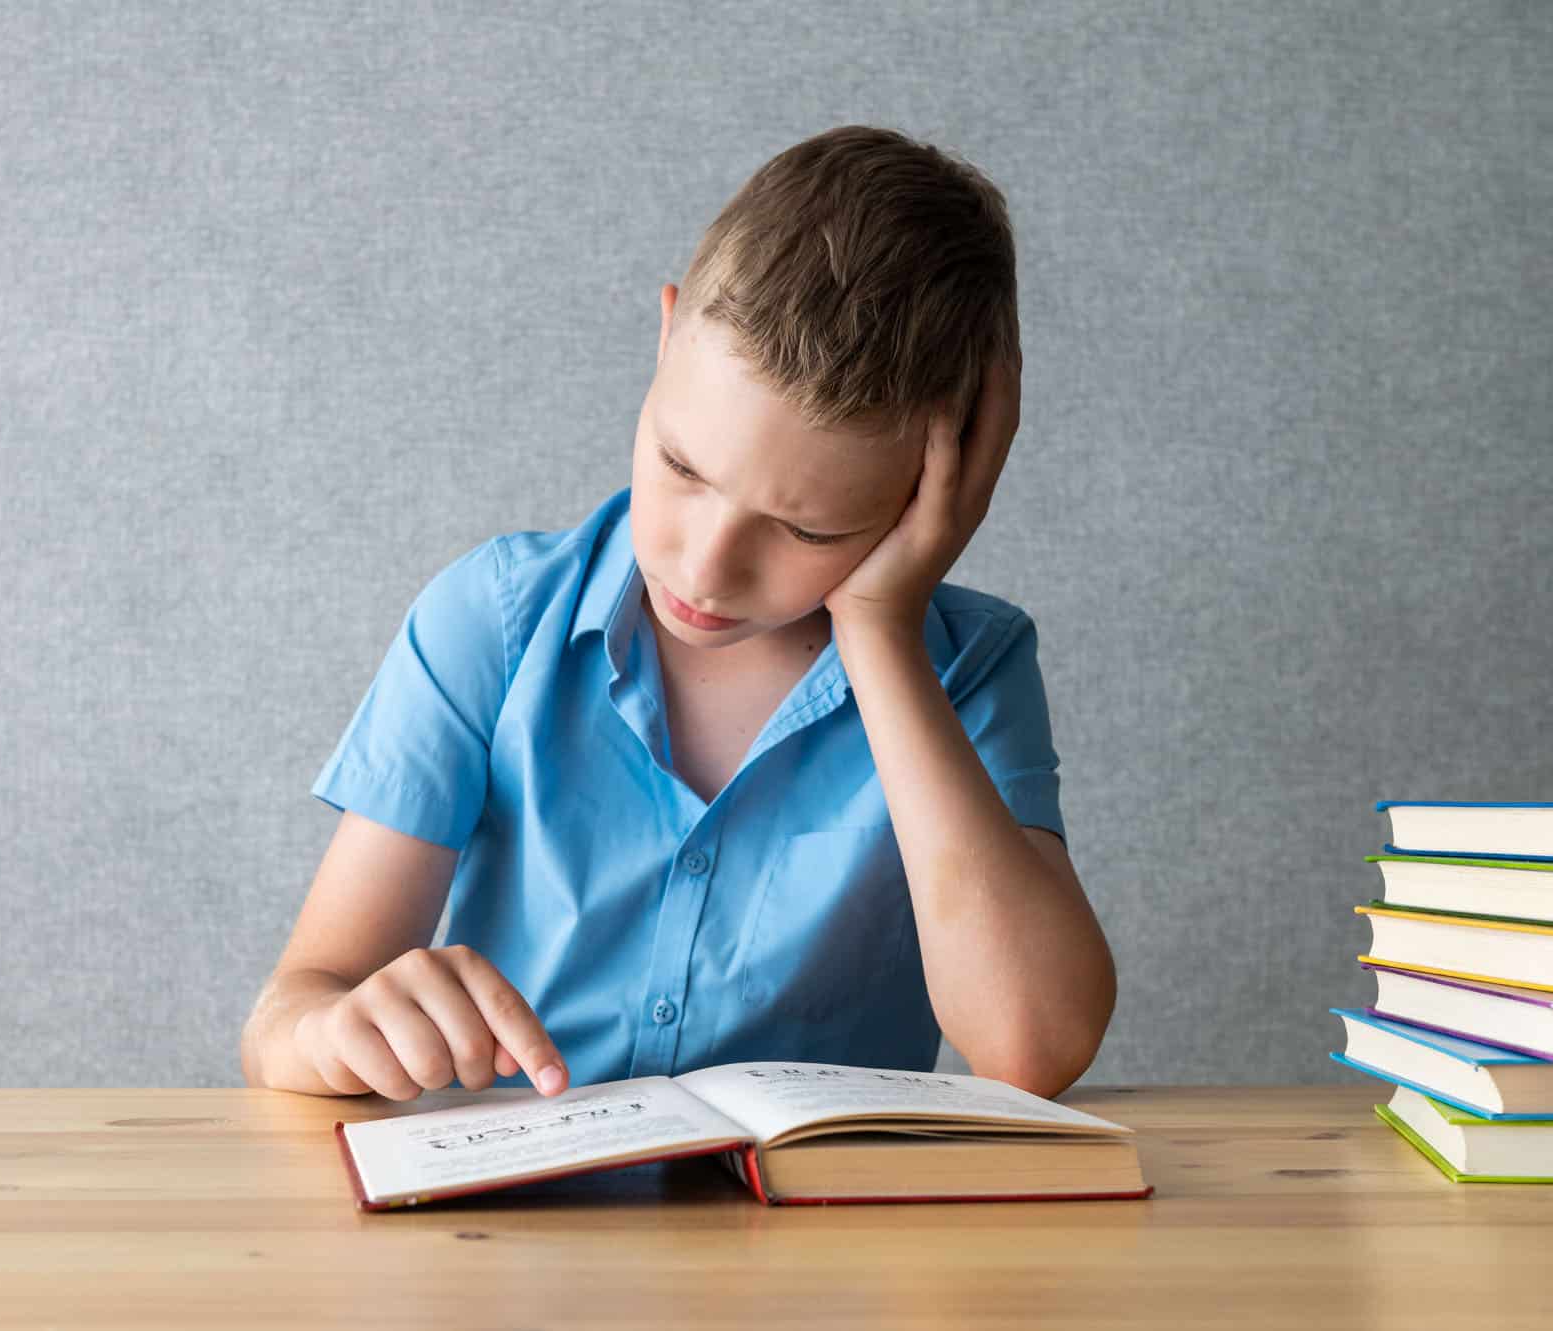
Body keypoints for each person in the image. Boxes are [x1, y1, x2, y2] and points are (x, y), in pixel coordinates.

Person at [241, 125, 1116, 1104]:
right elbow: (291, 1009)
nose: (704, 566)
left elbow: (1031, 1044)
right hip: (514, 1235)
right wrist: (338, 1029)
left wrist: (879, 630)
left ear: (936, 486)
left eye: (803, 527)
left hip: (812, 1247)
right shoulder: (492, 619)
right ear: (663, 341)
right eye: (681, 466)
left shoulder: (968, 669)